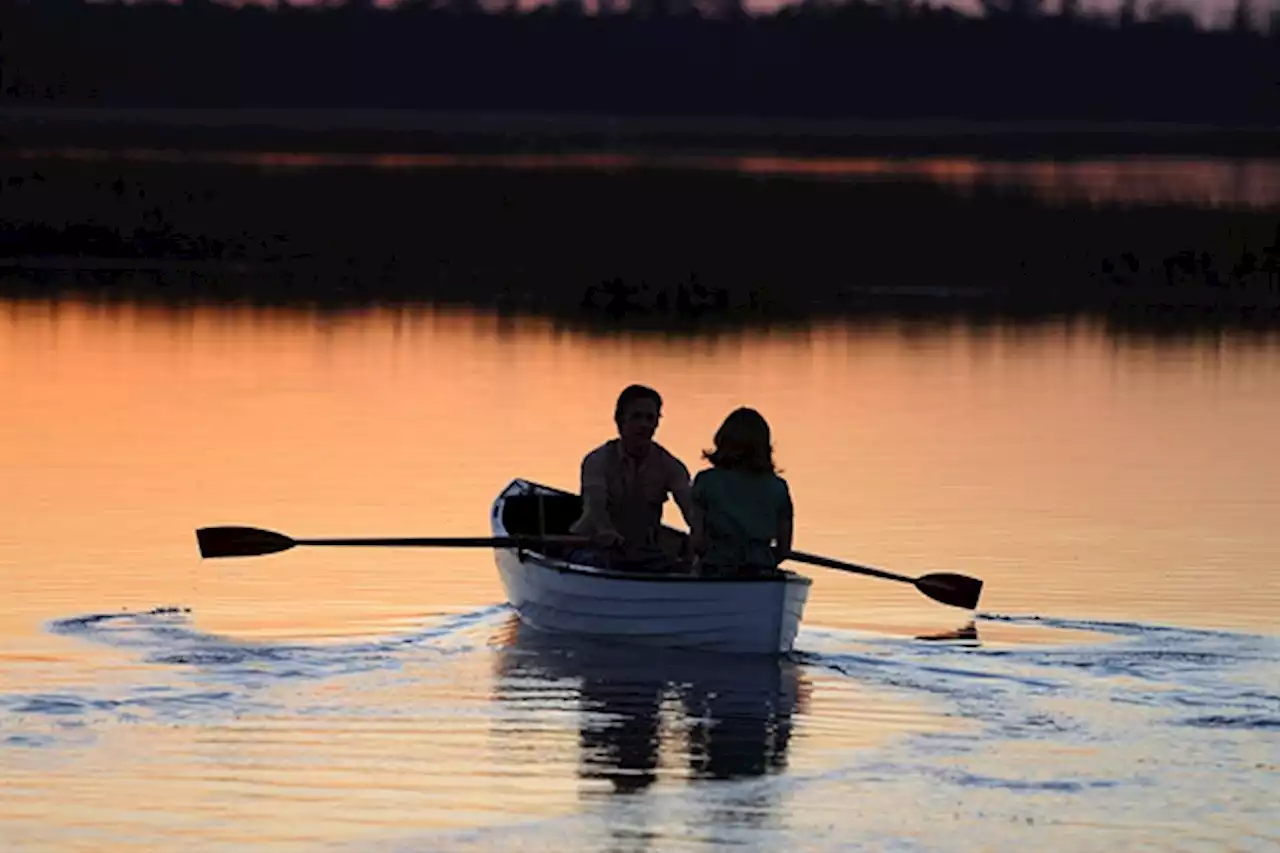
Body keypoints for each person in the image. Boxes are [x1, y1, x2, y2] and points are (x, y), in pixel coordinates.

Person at [568, 384, 697, 571]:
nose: (644, 425)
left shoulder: (671, 466)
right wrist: (606, 530)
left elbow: (691, 509)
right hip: (592, 545)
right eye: (636, 417)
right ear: (620, 420)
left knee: (685, 568)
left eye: (650, 418)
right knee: (593, 562)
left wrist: (702, 536)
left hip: (645, 552)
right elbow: (595, 504)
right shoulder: (597, 461)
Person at [689, 407, 793, 578]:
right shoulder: (779, 487)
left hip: (716, 568)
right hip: (762, 570)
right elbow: (784, 549)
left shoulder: (705, 481)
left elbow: (697, 542)